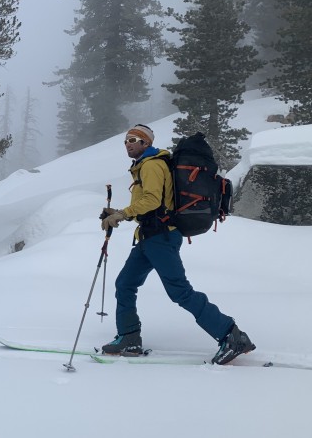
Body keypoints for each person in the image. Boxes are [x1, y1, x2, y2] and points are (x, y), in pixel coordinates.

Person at [99, 124, 255, 365]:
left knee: (180, 291)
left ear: (145, 143)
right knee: (125, 284)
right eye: (126, 140)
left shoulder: (151, 165)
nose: (128, 144)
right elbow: (151, 204)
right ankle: (129, 337)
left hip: (161, 238)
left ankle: (231, 335)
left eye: (134, 140)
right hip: (149, 237)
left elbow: (152, 200)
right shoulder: (144, 164)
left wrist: (122, 214)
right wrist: (120, 213)